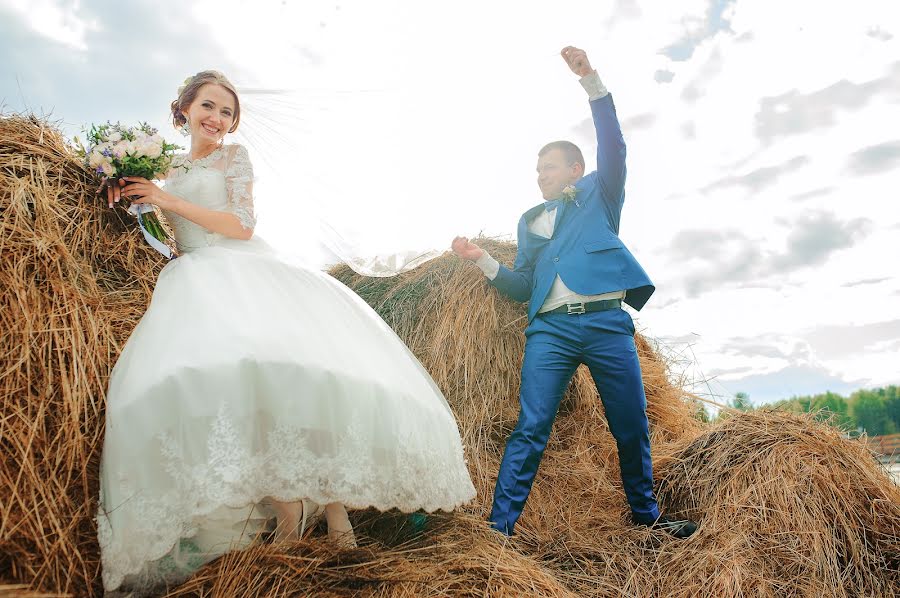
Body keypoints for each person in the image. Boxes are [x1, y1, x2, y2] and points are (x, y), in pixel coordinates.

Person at [97, 70, 476, 595]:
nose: (218, 118)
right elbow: (159, 225)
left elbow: (242, 225)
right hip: (192, 279)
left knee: (288, 375)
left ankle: (314, 512)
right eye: (208, 106)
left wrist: (168, 200)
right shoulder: (163, 167)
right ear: (183, 108)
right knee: (237, 384)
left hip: (240, 270)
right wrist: (129, 191)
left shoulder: (235, 159)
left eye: (227, 112)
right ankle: (315, 510)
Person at [451, 47, 696, 539]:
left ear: (574, 169)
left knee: (630, 422)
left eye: (548, 166)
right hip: (551, 330)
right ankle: (499, 531)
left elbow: (614, 146)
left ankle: (648, 519)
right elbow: (522, 286)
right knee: (531, 425)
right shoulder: (529, 222)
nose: (539, 174)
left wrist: (592, 82)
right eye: (537, 168)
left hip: (606, 323)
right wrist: (482, 261)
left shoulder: (600, 194)